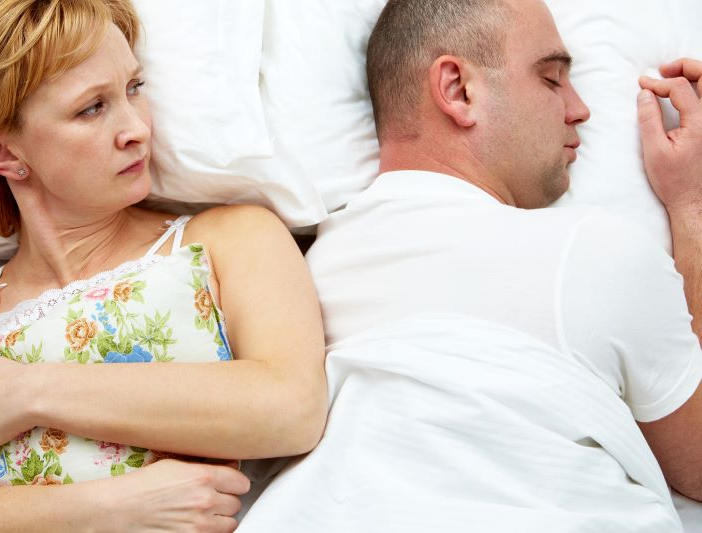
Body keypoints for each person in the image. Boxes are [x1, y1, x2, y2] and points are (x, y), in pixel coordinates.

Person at [239, 0, 702, 531]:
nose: (580, 109)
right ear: (459, 90)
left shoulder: (295, 279)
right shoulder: (594, 248)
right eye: (552, 79)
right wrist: (691, 205)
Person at [0, 0, 327, 530]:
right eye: (91, 109)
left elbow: (292, 408)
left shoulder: (227, 239)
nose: (137, 130)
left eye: (134, 89)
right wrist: (113, 508)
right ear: (6, 153)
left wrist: (30, 393)